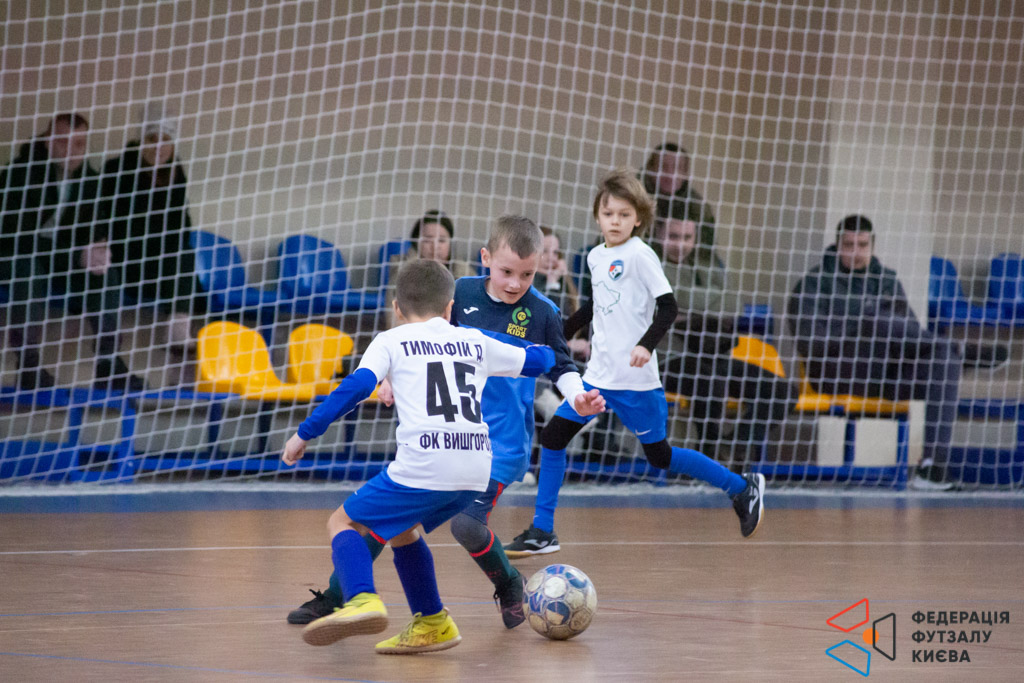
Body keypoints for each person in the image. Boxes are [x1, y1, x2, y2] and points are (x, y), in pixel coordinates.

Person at [286, 215, 604, 628]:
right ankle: (347, 598)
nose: (515, 284)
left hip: (501, 442)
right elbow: (423, 344)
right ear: (485, 259)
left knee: (462, 526)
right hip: (450, 433)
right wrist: (390, 377)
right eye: (507, 272)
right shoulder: (460, 293)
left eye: (526, 275)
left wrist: (577, 396)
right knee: (396, 525)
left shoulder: (543, 310)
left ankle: (498, 585)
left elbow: (558, 363)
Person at [505, 169, 766, 558]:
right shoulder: (596, 256)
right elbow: (597, 305)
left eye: (624, 215)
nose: (615, 221)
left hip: (635, 381)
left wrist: (646, 345)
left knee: (660, 457)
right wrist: (559, 331)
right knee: (555, 437)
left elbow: (668, 307)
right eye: (608, 213)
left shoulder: (641, 255)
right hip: (598, 377)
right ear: (598, 216)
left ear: (638, 219)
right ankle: (542, 530)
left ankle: (741, 487)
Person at [788, 214, 965, 491]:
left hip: (885, 373)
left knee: (944, 361)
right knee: (878, 319)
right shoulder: (814, 283)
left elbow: (911, 335)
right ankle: (958, 348)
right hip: (837, 372)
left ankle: (932, 468)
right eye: (849, 245)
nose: (856, 252)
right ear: (837, 245)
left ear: (872, 246)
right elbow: (812, 343)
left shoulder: (887, 280)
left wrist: (875, 324)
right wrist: (861, 325)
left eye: (862, 245)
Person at [0, 113, 145, 392]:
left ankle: (108, 363)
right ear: (47, 141)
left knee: (105, 274)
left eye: (78, 144)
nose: (71, 151)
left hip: (60, 262)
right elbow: (19, 239)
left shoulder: (91, 181)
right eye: (62, 142)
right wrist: (76, 255)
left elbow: (95, 228)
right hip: (14, 257)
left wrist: (98, 248)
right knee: (27, 269)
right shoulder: (19, 175)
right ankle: (28, 365)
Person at [655, 198, 797, 462]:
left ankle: (732, 446)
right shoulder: (650, 264)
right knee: (709, 380)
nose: (681, 244)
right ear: (658, 233)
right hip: (667, 358)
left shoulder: (707, 265)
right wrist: (709, 303)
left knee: (782, 392)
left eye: (687, 237)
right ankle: (707, 454)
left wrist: (689, 311)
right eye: (673, 236)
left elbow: (734, 303)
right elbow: (676, 298)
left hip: (712, 355)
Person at [102, 102, 204, 350]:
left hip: (160, 265)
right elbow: (111, 223)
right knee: (178, 259)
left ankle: (178, 331)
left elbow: (181, 225)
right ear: (141, 141)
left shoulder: (175, 173)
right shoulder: (118, 170)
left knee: (182, 255)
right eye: (152, 139)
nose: (159, 146)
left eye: (165, 140)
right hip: (124, 261)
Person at [386, 210, 475, 327]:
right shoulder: (402, 271)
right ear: (416, 242)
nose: (435, 247)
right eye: (427, 240)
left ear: (450, 244)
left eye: (441, 240)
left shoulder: (465, 273)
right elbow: (393, 321)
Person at [641, 142, 716, 249]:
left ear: (685, 174)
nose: (670, 175)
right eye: (663, 167)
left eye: (677, 168)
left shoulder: (698, 208)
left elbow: (706, 252)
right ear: (650, 169)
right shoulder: (633, 199)